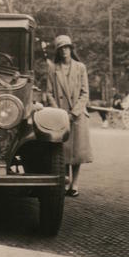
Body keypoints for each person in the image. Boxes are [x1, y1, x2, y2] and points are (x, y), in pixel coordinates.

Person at [46, 35, 93, 197]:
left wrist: (74, 112)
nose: (64, 51)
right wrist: (59, 112)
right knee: (63, 150)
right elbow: (49, 93)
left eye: (67, 47)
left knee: (77, 152)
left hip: (77, 115)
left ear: (71, 49)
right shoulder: (53, 69)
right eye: (61, 48)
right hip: (61, 115)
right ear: (58, 51)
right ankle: (65, 182)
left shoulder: (80, 67)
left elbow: (85, 93)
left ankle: (75, 184)